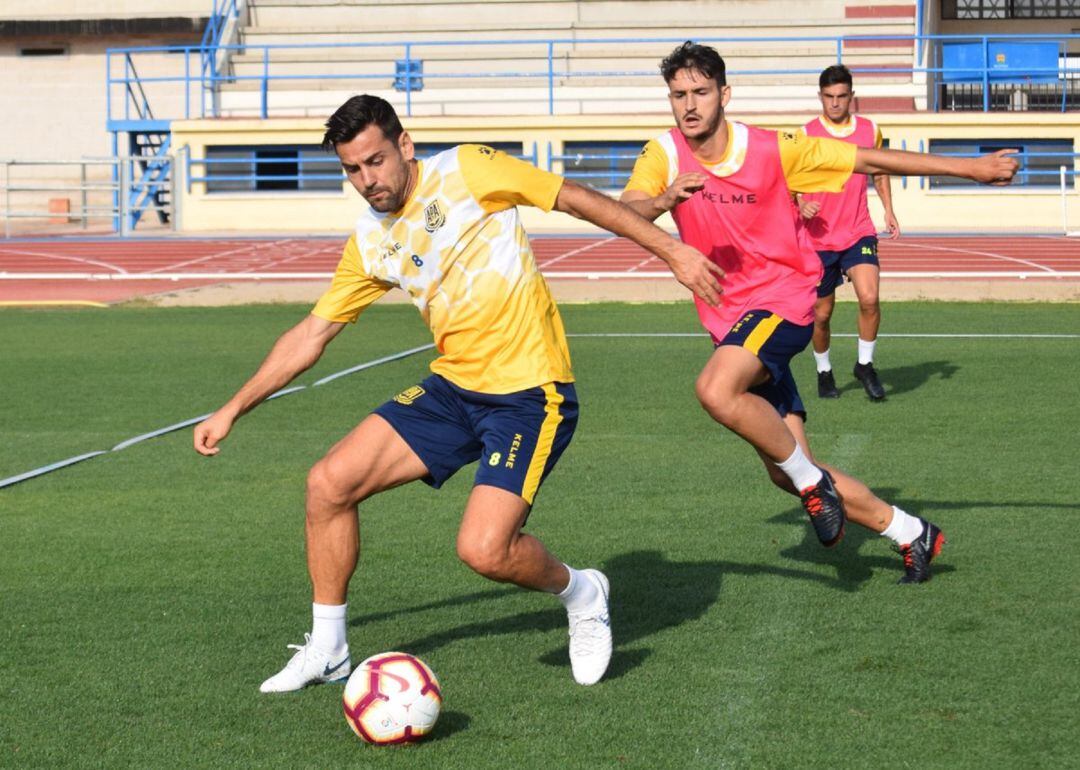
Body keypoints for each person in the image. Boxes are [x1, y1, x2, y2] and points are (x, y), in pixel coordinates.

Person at [193, 94, 724, 692]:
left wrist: (674, 250)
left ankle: (582, 592)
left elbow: (575, 199)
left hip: (530, 391)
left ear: (405, 146)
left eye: (375, 161)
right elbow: (312, 333)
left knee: (484, 551)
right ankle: (330, 648)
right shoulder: (370, 241)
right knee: (328, 484)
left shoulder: (469, 170)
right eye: (352, 169)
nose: (367, 180)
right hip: (453, 389)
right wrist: (233, 408)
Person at [620, 42, 1017, 583]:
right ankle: (910, 532)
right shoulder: (664, 153)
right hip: (731, 327)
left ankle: (816, 485)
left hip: (782, 302)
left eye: (700, 92)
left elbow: (869, 159)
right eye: (678, 95)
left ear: (724, 94)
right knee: (789, 471)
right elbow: (625, 212)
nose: (689, 105)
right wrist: (664, 200)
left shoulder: (774, 148)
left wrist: (968, 169)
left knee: (716, 392)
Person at [796, 64, 899, 401]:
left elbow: (881, 169)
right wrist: (799, 203)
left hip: (858, 231)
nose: (835, 103)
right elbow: (785, 179)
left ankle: (865, 365)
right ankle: (824, 371)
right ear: (820, 97)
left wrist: (888, 208)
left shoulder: (870, 131)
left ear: (851, 96)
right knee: (822, 315)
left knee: (869, 297)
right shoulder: (805, 134)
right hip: (817, 239)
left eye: (841, 96)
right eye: (829, 97)